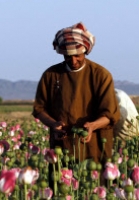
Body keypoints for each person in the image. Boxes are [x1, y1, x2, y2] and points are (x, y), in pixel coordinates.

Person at [32, 22, 120, 164]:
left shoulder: (100, 75)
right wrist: (53, 124)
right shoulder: (51, 75)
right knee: (62, 182)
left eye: (77, 55)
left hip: (95, 146)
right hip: (62, 146)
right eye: (68, 56)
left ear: (85, 50)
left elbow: (110, 115)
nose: (73, 60)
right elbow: (39, 109)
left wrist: (92, 126)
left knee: (95, 184)